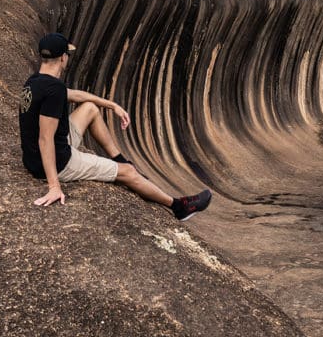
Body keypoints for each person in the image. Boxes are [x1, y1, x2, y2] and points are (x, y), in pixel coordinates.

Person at [19, 33, 212, 221]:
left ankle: (120, 159)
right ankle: (179, 207)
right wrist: (54, 185)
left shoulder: (35, 81)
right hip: (59, 162)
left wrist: (111, 105)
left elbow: (75, 95)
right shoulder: (54, 90)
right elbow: (45, 139)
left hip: (35, 156)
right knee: (128, 174)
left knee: (90, 109)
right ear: (63, 58)